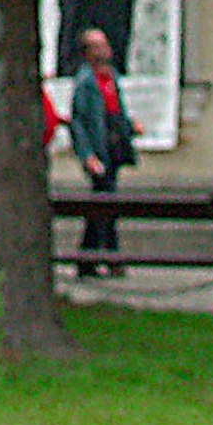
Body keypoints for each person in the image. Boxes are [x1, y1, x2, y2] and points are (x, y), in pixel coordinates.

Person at [66, 26, 136, 275]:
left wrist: (129, 127)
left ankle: (90, 259)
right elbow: (79, 122)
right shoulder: (85, 82)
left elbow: (116, 110)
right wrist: (87, 155)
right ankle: (107, 257)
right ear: (87, 52)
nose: (104, 51)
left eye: (104, 45)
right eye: (97, 46)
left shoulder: (111, 77)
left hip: (113, 146)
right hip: (98, 150)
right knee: (104, 203)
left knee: (104, 203)